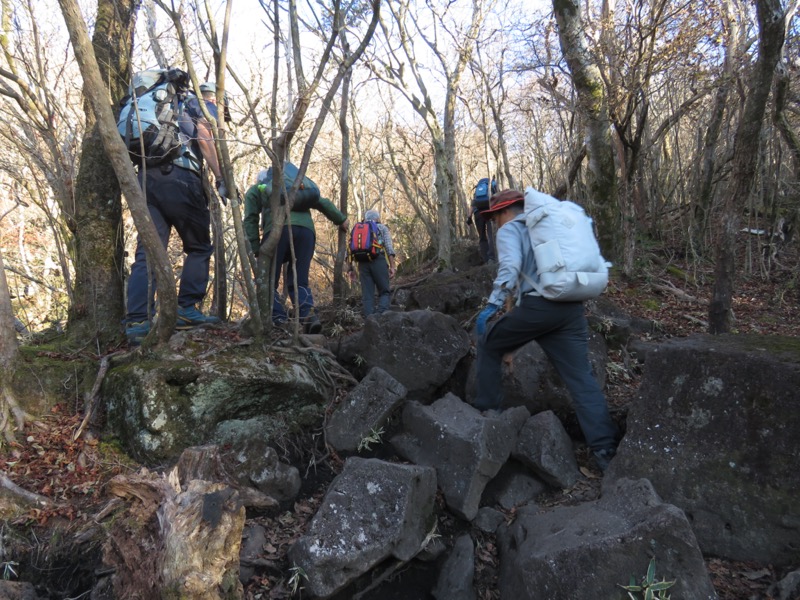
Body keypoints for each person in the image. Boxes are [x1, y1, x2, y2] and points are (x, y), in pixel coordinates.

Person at [473, 189, 619, 471]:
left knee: (488, 343)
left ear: (504, 212)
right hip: (570, 306)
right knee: (581, 380)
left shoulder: (509, 230)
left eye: (494, 218)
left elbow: (510, 268)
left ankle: (488, 414)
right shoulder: (546, 226)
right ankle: (605, 451)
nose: (494, 224)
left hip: (539, 308)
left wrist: (491, 306)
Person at [124, 80, 225, 344]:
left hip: (145, 180)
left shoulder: (158, 104)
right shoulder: (200, 105)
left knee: (148, 251)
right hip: (180, 177)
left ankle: (137, 321)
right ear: (213, 99)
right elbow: (204, 136)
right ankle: (186, 311)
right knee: (200, 247)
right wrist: (220, 176)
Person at [243, 168, 349, 333]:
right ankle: (308, 316)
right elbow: (321, 201)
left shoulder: (257, 189)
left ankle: (278, 319)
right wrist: (340, 219)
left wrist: (256, 249)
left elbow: (250, 218)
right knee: (300, 280)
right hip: (306, 232)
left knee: (269, 279)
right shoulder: (296, 187)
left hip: (278, 232)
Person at [347, 209, 397, 316]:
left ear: (365, 218)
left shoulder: (357, 230)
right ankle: (381, 316)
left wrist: (350, 269)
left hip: (362, 264)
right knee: (384, 291)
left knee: (367, 295)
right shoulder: (382, 228)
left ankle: (370, 321)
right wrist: (392, 266)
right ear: (377, 218)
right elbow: (389, 248)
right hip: (378, 260)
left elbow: (349, 251)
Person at [467, 177, 497, 263]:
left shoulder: (477, 191)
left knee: (482, 237)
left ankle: (485, 259)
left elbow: (473, 204)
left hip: (478, 214)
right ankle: (492, 258)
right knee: (491, 235)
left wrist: (469, 217)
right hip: (490, 212)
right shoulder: (491, 187)